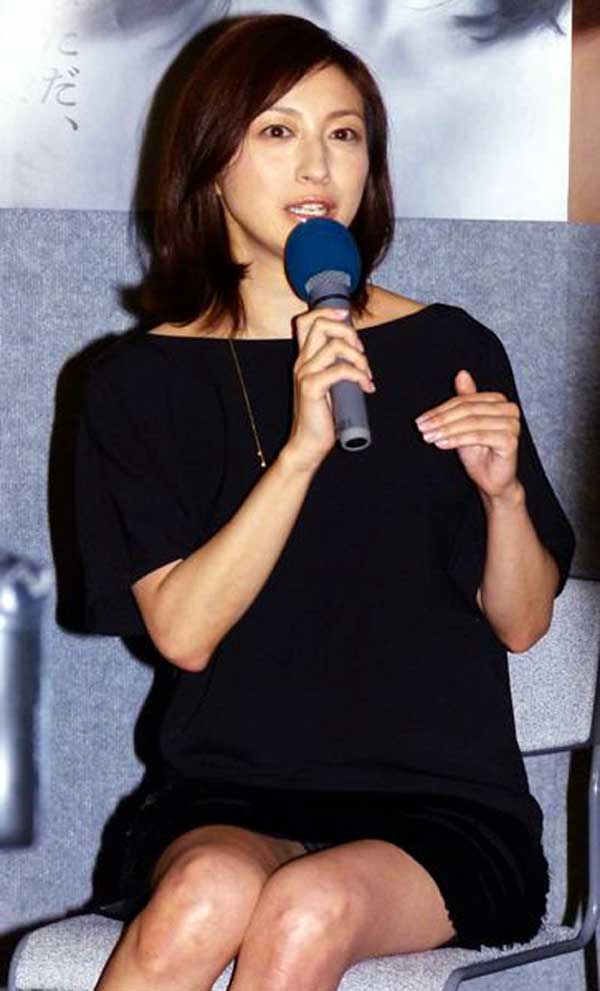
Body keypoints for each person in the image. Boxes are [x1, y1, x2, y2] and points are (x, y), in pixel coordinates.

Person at [74, 13, 575, 991]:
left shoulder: (448, 346)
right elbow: (184, 633)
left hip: (442, 807)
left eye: (344, 133)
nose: (317, 165)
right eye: (278, 130)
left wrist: (505, 496)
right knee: (202, 900)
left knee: (306, 910)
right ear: (212, 161)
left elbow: (522, 624)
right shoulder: (134, 384)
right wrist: (302, 449)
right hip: (229, 791)